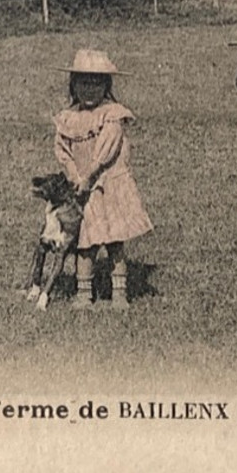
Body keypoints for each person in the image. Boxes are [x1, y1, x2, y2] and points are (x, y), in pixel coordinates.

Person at [52, 49, 153, 309]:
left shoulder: (111, 115)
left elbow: (105, 152)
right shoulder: (69, 118)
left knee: (114, 240)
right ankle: (84, 292)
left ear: (107, 85)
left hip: (109, 184)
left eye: (97, 83)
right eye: (83, 83)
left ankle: (119, 292)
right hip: (85, 190)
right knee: (85, 242)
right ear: (73, 84)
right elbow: (63, 151)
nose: (89, 89)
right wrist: (75, 176)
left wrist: (90, 175)